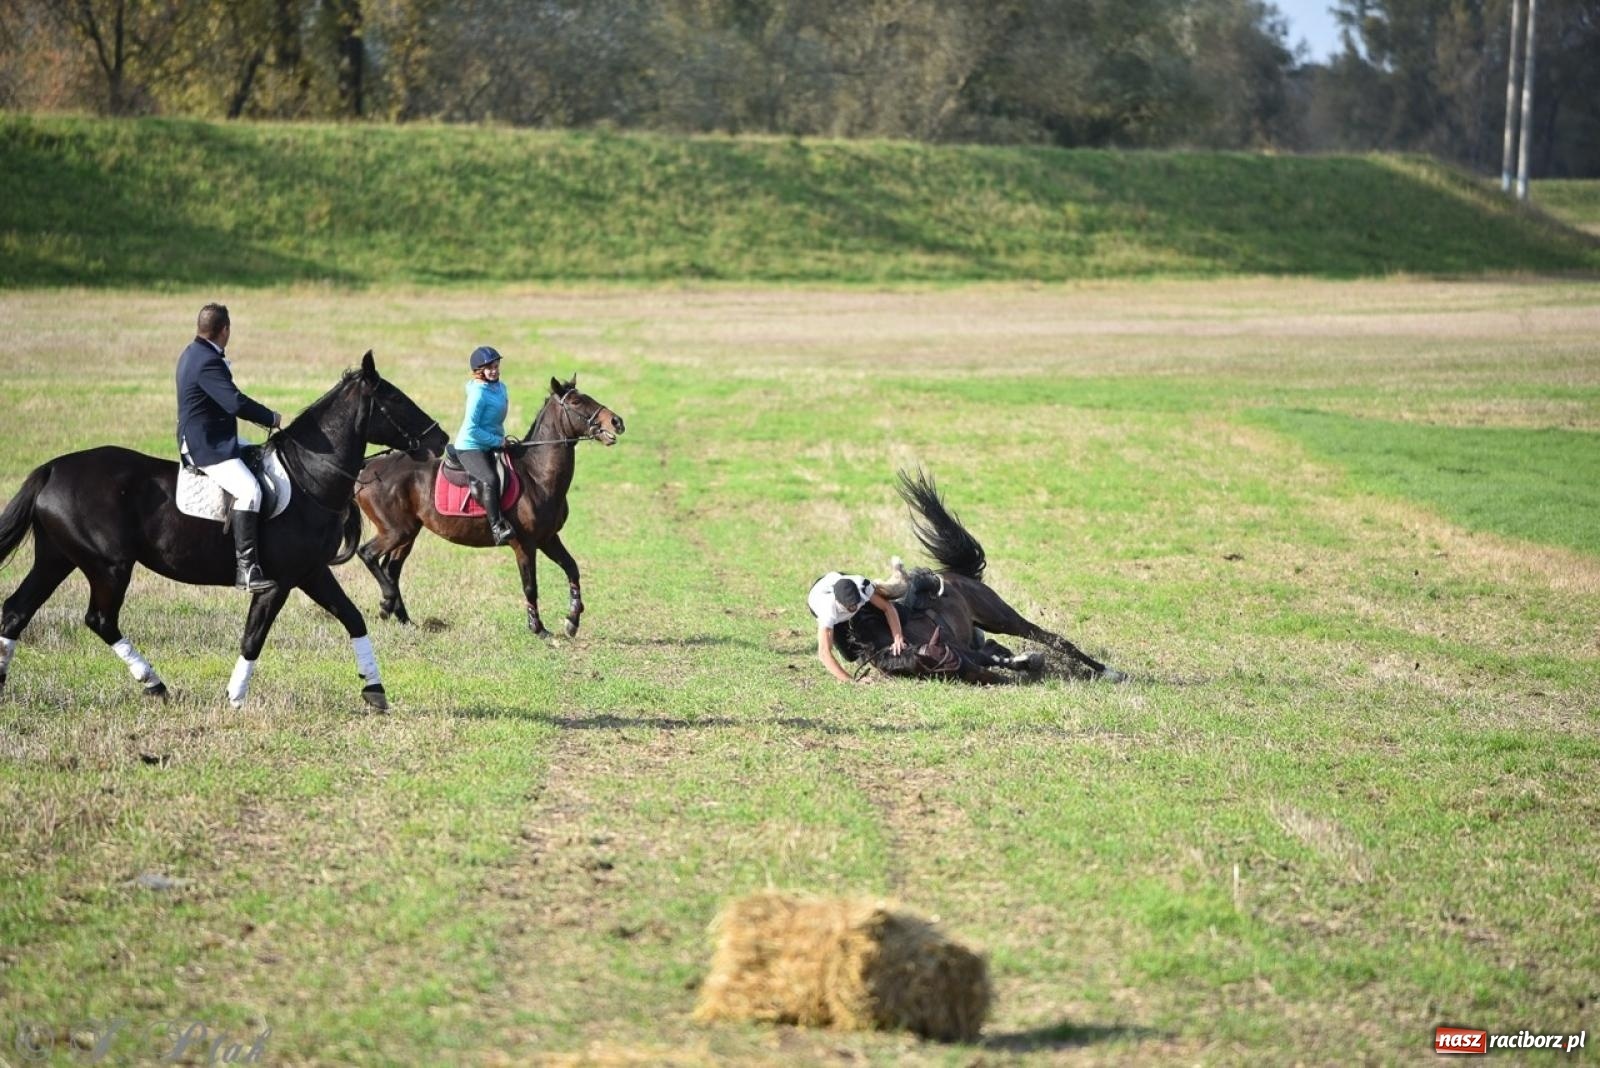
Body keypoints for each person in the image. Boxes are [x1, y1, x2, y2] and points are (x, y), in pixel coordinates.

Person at [175, 303, 282, 594]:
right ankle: (246, 570)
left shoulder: (193, 352)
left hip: (214, 436)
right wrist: (271, 417)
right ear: (225, 330)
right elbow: (235, 402)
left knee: (262, 458)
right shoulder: (207, 361)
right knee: (250, 490)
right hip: (206, 446)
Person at [453, 345, 514, 546]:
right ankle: (497, 527)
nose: (494, 370)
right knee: (490, 479)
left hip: (492, 442)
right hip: (470, 446)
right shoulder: (478, 394)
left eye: (496, 365)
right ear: (480, 371)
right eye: (489, 368)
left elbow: (494, 422)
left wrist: (502, 439)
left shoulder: (500, 387)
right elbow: (472, 429)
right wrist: (498, 441)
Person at [808, 572, 905, 683]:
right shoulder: (827, 611)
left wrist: (898, 637)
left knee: (886, 615)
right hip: (824, 599)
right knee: (851, 654)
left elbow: (888, 608)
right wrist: (853, 682)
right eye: (850, 607)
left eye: (856, 603)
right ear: (838, 603)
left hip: (842, 579)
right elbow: (824, 653)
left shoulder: (862, 587)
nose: (854, 607)